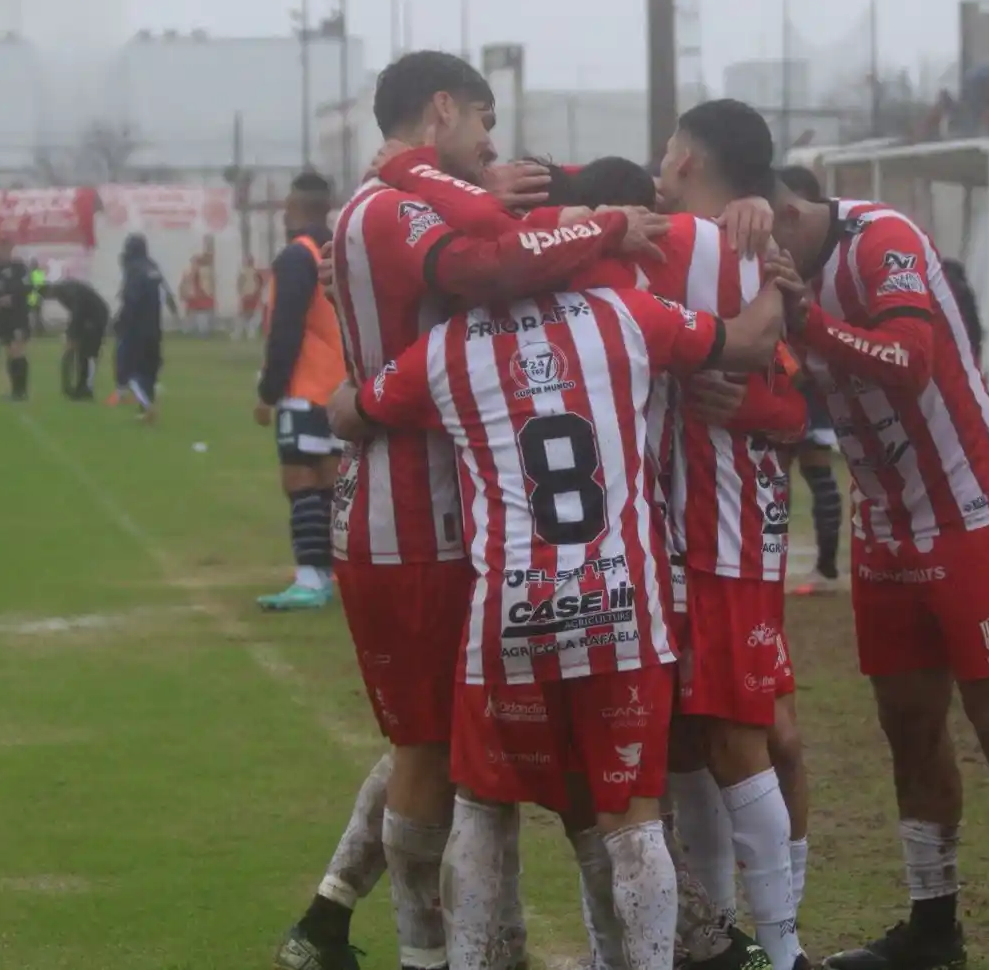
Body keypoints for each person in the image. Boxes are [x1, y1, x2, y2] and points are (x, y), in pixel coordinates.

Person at [278, 51, 668, 970]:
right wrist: (606, 223)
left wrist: (501, 194)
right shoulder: (392, 205)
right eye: (483, 127)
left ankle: (366, 926)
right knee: (435, 752)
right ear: (442, 110)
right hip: (415, 513)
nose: (491, 147)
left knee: (464, 748)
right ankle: (426, 949)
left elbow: (481, 232)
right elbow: (483, 262)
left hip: (444, 505)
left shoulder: (402, 195)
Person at [326, 273, 794, 970]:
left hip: (511, 610)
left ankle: (469, 960)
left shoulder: (446, 347)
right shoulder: (621, 312)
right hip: (620, 604)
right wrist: (779, 282)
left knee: (484, 803)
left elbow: (352, 415)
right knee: (632, 822)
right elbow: (752, 339)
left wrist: (342, 394)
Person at [766, 184, 989, 970]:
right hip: (886, 531)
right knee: (908, 728)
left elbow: (910, 360)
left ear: (789, 211)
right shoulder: (775, 275)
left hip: (971, 513)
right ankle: (933, 930)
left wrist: (810, 323)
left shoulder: (878, 238)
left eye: (764, 244)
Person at [653, 101, 809, 970]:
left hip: (718, 542)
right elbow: (788, 397)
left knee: (745, 744)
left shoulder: (704, 247)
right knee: (693, 749)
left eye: (666, 148)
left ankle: (780, 950)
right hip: (706, 540)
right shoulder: (740, 249)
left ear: (683, 158)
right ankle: (714, 940)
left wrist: (755, 399)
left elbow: (789, 400)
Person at [254, 172, 348, 612]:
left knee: (301, 481)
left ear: (294, 207)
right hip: (343, 388)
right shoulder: (343, 250)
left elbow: (285, 329)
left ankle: (312, 579)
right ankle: (339, 575)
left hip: (307, 388)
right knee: (334, 485)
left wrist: (268, 391)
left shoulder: (297, 256)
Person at [777, 166, 844, 597]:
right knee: (773, 479)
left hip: (812, 385)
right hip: (778, 379)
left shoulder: (829, 259)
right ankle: (768, 566)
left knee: (817, 474)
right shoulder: (769, 254)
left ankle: (826, 568)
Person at [114, 234, 173, 421]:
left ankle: (147, 407)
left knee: (128, 370)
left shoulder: (134, 269)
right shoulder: (152, 267)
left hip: (136, 328)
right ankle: (145, 407)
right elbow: (165, 290)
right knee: (149, 370)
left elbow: (131, 299)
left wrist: (120, 321)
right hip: (154, 327)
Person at [41, 278, 111, 400]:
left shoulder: (67, 292)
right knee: (81, 354)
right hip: (87, 317)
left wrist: (72, 336)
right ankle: (81, 386)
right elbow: (76, 314)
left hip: (97, 317)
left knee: (90, 354)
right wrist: (72, 334)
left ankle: (87, 388)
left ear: (49, 292)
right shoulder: (64, 290)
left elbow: (78, 311)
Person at [0, 240, 34, 401]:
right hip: (2, 318)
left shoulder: (20, 268)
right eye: (0, 249)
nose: (3, 252)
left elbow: (29, 288)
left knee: (16, 349)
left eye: (6, 249)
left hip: (19, 315)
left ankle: (22, 391)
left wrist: (13, 297)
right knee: (9, 352)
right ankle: (15, 391)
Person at [237, 255, 265, 340]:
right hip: (250, 295)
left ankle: (245, 333)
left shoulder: (248, 272)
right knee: (248, 315)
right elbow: (259, 284)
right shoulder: (252, 273)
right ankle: (246, 333)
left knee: (247, 315)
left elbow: (239, 284)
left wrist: (242, 293)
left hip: (250, 295)